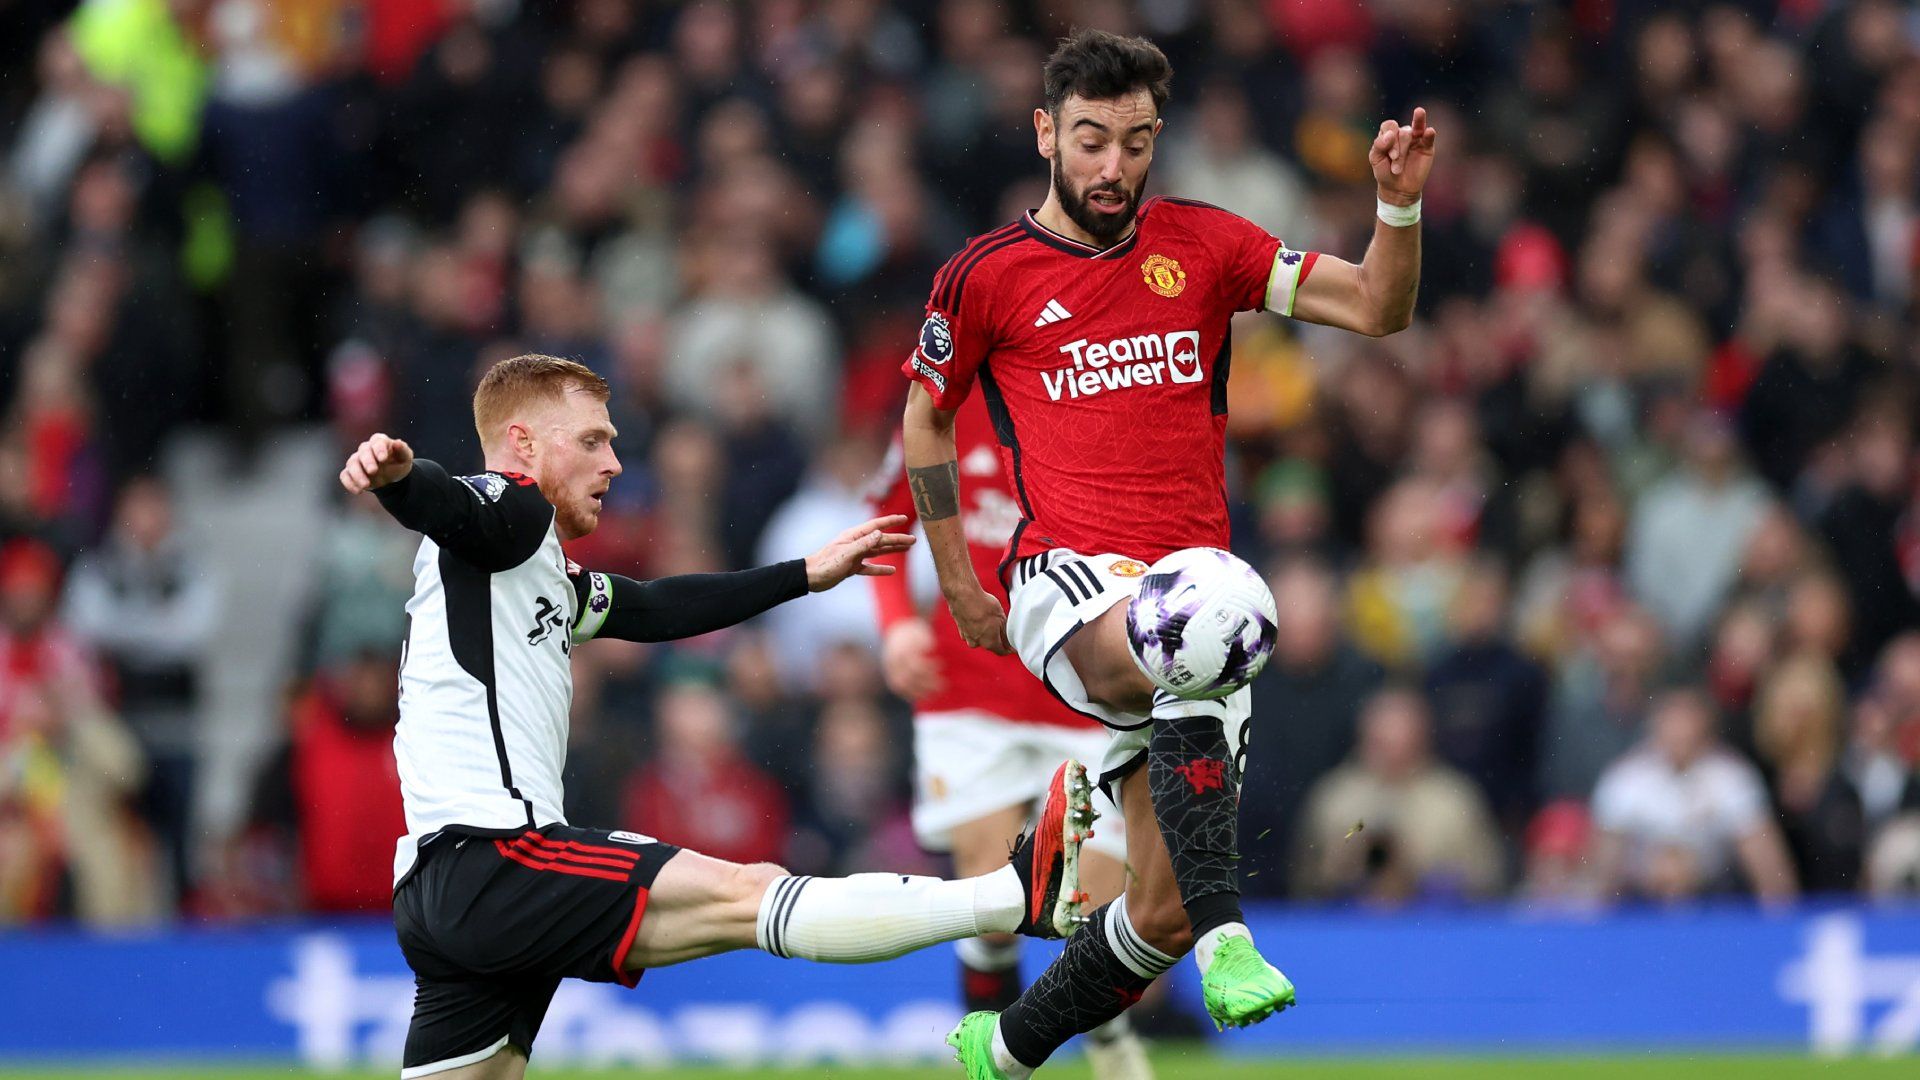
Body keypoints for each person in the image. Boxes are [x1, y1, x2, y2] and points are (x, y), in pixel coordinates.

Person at [899, 29, 1431, 1078]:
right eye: (1091, 140)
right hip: (1071, 584)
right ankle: (1237, 931)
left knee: (1158, 915)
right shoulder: (985, 277)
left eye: (1136, 143)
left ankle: (999, 1050)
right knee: (1218, 611)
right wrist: (961, 580)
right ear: (1048, 131)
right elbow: (924, 421)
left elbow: (1378, 307)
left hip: (1195, 605)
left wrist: (1397, 204)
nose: (1113, 168)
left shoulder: (1207, 244)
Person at [340, 354, 1094, 1080]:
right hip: (499, 856)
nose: (614, 464)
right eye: (594, 440)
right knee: (748, 895)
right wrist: (400, 477)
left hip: (443, 884)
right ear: (524, 443)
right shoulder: (507, 505)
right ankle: (1007, 895)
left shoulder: (524, 567)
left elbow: (656, 606)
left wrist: (804, 575)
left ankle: (1005, 896)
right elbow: (443, 500)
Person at [870, 390, 1151, 1080]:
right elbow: (887, 513)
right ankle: (995, 1064)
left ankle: (1107, 1035)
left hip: (1085, 697)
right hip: (969, 694)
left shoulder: (1102, 403)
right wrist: (897, 622)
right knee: (992, 909)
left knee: (1095, 916)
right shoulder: (940, 412)